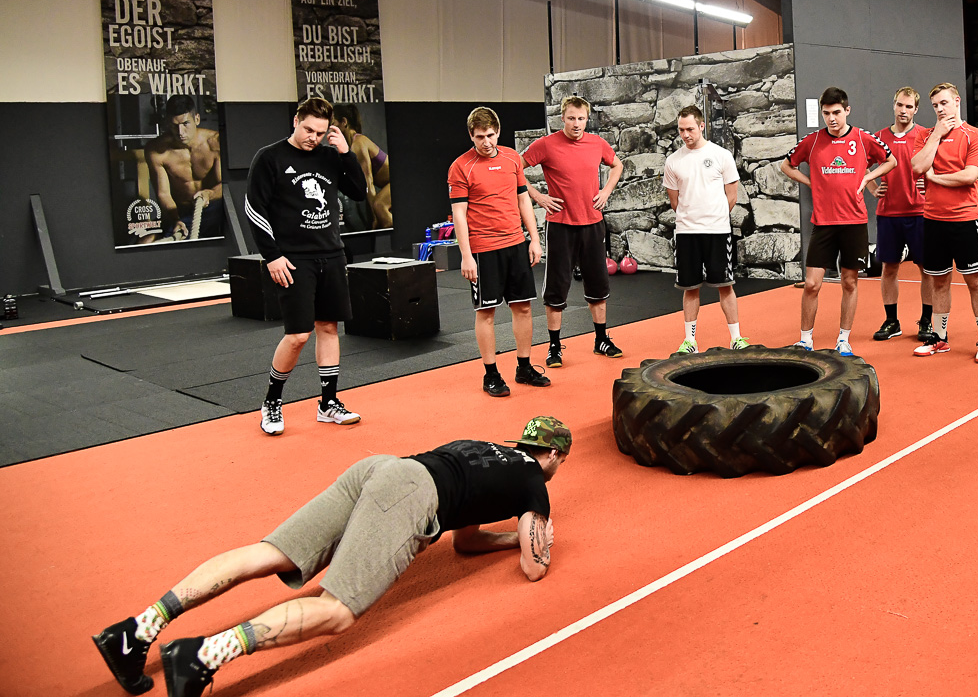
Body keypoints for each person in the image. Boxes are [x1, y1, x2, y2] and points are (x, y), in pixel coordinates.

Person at [91, 416, 570, 697]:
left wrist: (509, 538)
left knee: (267, 554)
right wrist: (541, 539)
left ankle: (136, 631)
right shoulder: (533, 482)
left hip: (381, 468)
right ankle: (204, 654)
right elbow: (533, 569)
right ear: (551, 456)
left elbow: (464, 542)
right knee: (338, 609)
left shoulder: (482, 447)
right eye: (559, 463)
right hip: (409, 495)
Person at [244, 97, 367, 436]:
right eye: (308, 129)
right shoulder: (270, 157)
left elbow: (359, 192)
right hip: (292, 259)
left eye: (320, 132)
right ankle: (272, 401)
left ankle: (328, 403)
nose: (313, 137)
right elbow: (255, 209)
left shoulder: (330, 155)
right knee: (298, 334)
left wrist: (346, 153)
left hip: (331, 253)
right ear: (296, 121)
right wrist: (271, 256)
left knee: (328, 327)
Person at [781, 87, 896, 356]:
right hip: (823, 223)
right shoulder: (812, 141)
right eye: (826, 113)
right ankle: (805, 340)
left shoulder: (862, 138)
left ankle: (843, 339)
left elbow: (890, 161)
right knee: (812, 284)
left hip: (854, 222)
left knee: (849, 282)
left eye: (836, 112)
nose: (831, 118)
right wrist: (810, 181)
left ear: (847, 110)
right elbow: (786, 165)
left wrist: (868, 178)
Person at [448, 107, 550, 397]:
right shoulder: (460, 166)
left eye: (491, 135)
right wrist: (465, 255)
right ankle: (491, 374)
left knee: (524, 307)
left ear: (498, 132)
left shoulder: (511, 158)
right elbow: (459, 214)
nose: (486, 142)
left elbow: (523, 200)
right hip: (483, 250)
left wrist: (534, 239)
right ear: (471, 135)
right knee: (487, 313)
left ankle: (524, 367)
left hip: (515, 244)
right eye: (480, 137)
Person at [523, 96, 625, 367]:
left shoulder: (596, 143)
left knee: (598, 285)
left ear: (586, 119)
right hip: (560, 226)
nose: (576, 124)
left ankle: (601, 339)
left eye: (581, 119)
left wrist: (606, 191)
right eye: (571, 118)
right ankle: (554, 346)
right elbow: (515, 169)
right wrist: (537, 196)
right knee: (556, 289)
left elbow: (618, 165)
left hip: (592, 223)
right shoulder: (546, 144)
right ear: (562, 118)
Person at [910, 83, 978, 362]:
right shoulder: (925, 135)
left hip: (965, 219)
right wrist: (937, 134)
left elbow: (969, 176)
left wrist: (935, 179)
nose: (940, 109)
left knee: (975, 281)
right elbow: (917, 167)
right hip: (933, 219)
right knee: (938, 283)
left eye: (945, 103)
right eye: (935, 106)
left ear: (957, 101)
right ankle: (939, 339)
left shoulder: (975, 135)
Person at [663, 105, 750, 353]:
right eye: (681, 129)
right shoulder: (673, 161)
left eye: (690, 129)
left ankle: (736, 338)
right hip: (687, 233)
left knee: (725, 285)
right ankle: (690, 341)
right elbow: (674, 201)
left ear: (701, 126)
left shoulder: (721, 155)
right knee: (690, 288)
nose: (685, 134)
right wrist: (691, 217)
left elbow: (731, 196)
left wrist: (715, 216)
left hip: (717, 231)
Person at [871, 87, 937, 343]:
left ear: (916, 110)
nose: (903, 110)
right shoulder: (878, 137)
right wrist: (874, 188)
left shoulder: (926, 135)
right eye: (900, 105)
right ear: (894, 105)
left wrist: (929, 183)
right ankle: (892, 321)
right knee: (889, 267)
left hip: (920, 212)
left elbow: (939, 166)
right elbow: (863, 167)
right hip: (889, 213)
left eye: (909, 107)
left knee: (926, 268)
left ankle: (926, 321)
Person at [143, 94, 223, 242]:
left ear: (197, 119)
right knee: (145, 241)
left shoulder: (214, 143)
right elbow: (163, 194)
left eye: (186, 123)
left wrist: (209, 194)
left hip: (214, 210)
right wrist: (175, 220)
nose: (180, 132)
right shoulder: (156, 150)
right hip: (181, 213)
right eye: (175, 125)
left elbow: (224, 186)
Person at [333, 103, 393, 230]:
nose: (330, 128)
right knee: (378, 209)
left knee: (379, 207)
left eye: (333, 124)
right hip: (388, 184)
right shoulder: (351, 147)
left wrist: (375, 217)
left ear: (344, 122)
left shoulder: (358, 144)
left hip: (398, 181)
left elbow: (369, 184)